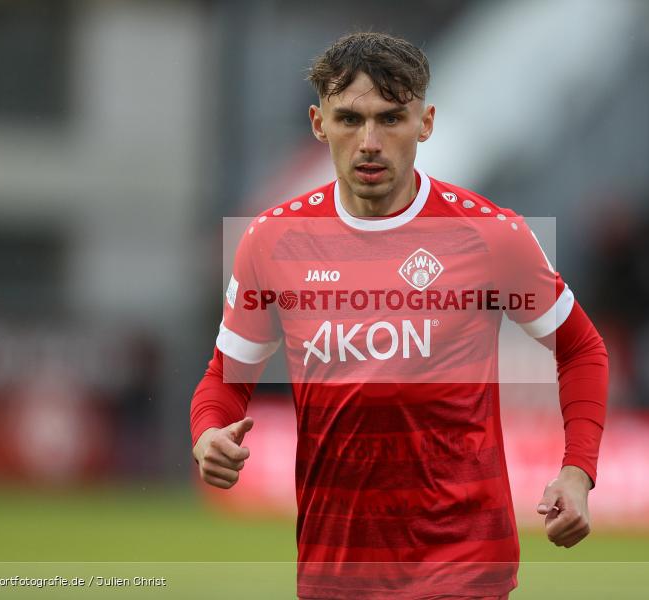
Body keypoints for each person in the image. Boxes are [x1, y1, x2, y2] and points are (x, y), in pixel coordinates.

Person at [190, 32, 608, 600]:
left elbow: (582, 350)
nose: (369, 142)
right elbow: (224, 377)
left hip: (465, 561)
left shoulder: (490, 235)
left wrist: (577, 472)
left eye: (390, 119)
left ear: (426, 122)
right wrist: (208, 432)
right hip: (334, 566)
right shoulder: (274, 241)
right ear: (318, 124)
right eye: (348, 119)